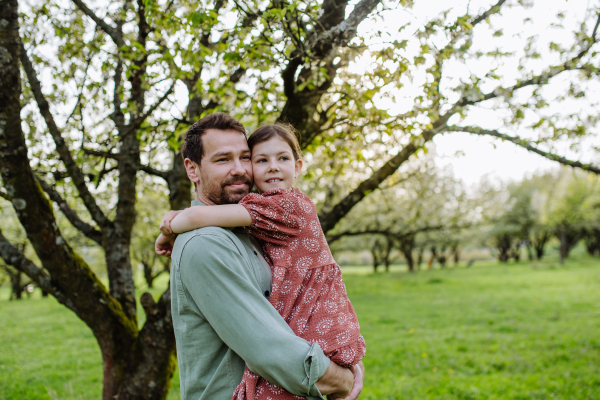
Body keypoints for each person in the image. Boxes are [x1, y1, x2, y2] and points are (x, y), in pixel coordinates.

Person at [155, 113, 364, 400]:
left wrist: (341, 350)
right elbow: (271, 351)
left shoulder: (253, 230)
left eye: (245, 157)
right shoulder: (206, 243)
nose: (239, 169)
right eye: (223, 160)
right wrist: (340, 378)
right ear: (192, 170)